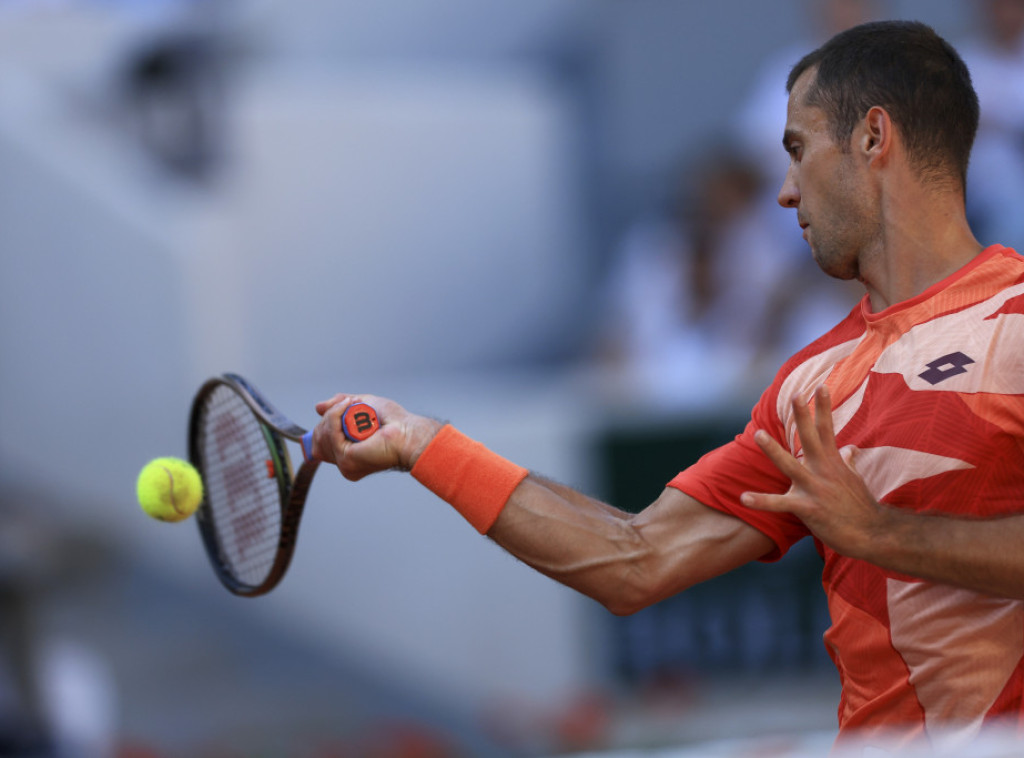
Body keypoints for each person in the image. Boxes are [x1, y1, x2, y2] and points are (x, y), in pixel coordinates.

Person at [310, 20, 1024, 754]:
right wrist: (426, 444)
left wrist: (878, 534)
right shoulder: (808, 385)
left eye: (797, 151)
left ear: (873, 138)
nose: (783, 192)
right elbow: (635, 558)